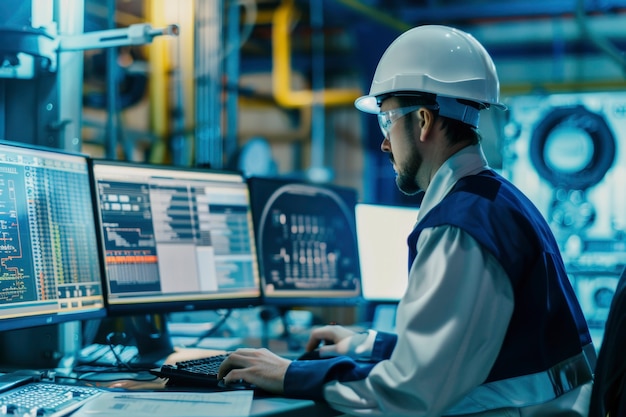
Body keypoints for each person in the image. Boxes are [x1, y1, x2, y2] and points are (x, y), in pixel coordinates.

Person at [218, 24, 596, 416]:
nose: (383, 142)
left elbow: (410, 394)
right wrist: (365, 345)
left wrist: (287, 373)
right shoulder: (497, 200)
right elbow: (463, 350)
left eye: (386, 121)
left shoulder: (461, 226)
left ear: (422, 121)